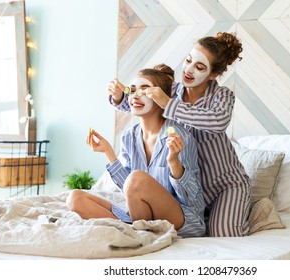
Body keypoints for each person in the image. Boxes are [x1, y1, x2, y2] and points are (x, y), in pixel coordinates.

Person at [107, 32, 252, 237]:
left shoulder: (222, 96)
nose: (189, 70)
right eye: (188, 60)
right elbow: (141, 102)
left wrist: (167, 103)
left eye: (200, 67)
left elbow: (218, 122)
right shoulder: (172, 90)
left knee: (223, 234)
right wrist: (120, 96)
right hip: (189, 187)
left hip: (223, 185)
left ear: (212, 74)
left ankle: (249, 211)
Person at [67, 68, 205, 238]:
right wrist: (108, 152)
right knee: (75, 198)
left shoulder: (180, 136)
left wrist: (174, 162)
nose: (135, 96)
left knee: (136, 178)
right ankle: (133, 232)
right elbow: (130, 189)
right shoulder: (128, 137)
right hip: (140, 217)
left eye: (145, 90)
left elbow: (193, 199)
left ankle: (136, 233)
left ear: (160, 97)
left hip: (181, 218)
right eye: (132, 90)